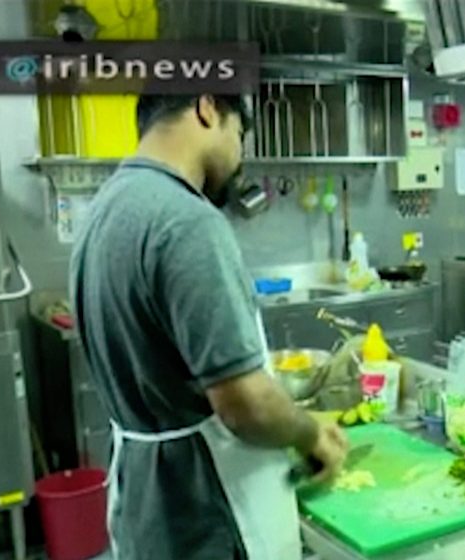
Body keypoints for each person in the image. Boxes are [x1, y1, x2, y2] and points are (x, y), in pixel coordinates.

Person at [70, 93, 349, 560]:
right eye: (239, 135)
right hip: (204, 508)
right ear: (206, 109)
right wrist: (310, 434)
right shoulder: (187, 221)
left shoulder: (105, 210)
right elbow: (245, 405)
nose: (240, 157)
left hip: (145, 507)